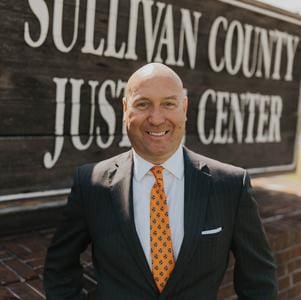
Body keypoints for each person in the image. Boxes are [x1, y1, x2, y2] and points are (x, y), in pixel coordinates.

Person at [44, 63, 277, 299]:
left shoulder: (230, 185)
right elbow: (59, 266)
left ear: (184, 108)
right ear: (126, 109)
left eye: (168, 104)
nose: (156, 119)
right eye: (143, 104)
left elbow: (259, 281)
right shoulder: (91, 183)